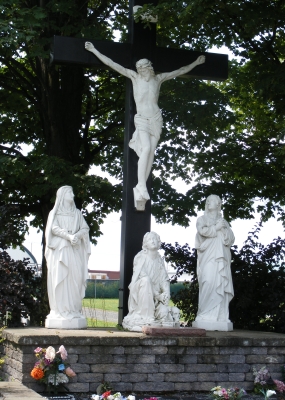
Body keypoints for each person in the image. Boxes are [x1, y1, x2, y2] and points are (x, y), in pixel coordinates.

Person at [85, 42, 205, 204]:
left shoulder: (159, 79)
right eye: (139, 69)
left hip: (156, 118)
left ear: (149, 68)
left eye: (143, 68)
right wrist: (94, 50)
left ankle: (143, 186)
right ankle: (140, 184)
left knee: (151, 152)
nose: (141, 71)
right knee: (146, 148)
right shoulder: (134, 77)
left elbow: (180, 70)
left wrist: (196, 63)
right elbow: (112, 64)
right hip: (141, 118)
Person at [45, 186, 90, 325]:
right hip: (61, 251)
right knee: (61, 278)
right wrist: (68, 236)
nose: (73, 194)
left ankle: (73, 310)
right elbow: (53, 228)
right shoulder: (55, 213)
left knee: (74, 279)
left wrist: (76, 236)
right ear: (63, 195)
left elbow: (85, 228)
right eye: (70, 192)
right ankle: (60, 310)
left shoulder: (77, 213)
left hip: (74, 251)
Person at [194, 195, 235, 325]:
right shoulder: (202, 219)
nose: (207, 203)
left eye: (210, 201)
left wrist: (223, 230)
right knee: (208, 280)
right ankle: (204, 313)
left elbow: (231, 239)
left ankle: (220, 316)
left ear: (218, 204)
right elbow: (202, 232)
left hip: (221, 258)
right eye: (207, 201)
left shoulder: (223, 222)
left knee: (220, 283)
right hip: (208, 256)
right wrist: (215, 229)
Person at [122, 231, 172, 331]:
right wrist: (158, 295)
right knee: (146, 281)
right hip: (141, 292)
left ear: (158, 242)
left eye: (154, 239)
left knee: (165, 313)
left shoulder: (159, 260)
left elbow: (164, 279)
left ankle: (155, 316)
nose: (152, 241)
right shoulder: (140, 257)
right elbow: (142, 276)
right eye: (149, 239)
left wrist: (166, 293)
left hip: (156, 298)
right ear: (145, 244)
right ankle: (145, 317)